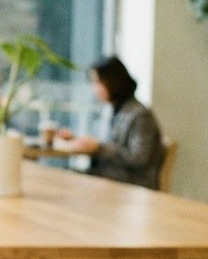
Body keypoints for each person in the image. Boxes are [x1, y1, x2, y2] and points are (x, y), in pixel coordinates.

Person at [56, 55, 165, 189]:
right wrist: (76, 139)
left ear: (113, 82)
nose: (95, 89)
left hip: (132, 183)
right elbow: (100, 143)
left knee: (68, 181)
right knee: (62, 176)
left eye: (98, 82)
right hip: (107, 177)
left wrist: (99, 147)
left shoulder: (140, 115)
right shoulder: (109, 110)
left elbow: (139, 159)